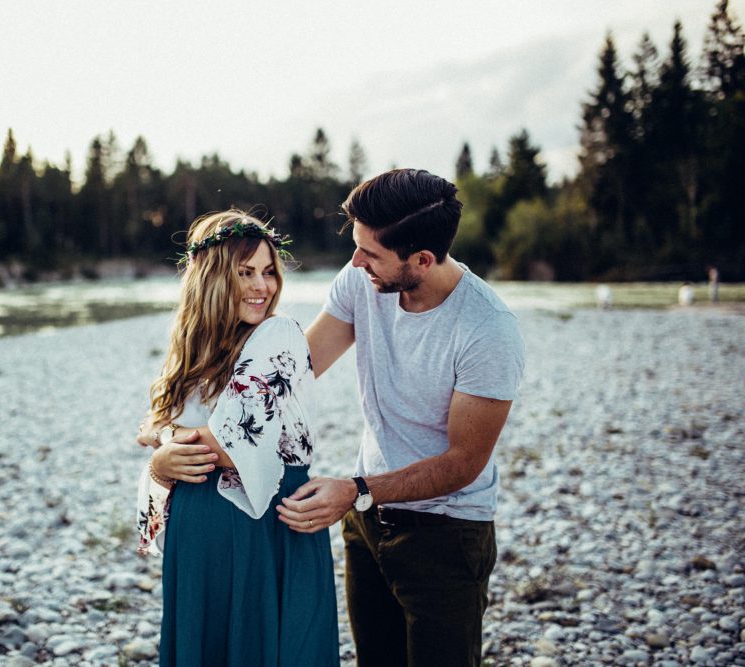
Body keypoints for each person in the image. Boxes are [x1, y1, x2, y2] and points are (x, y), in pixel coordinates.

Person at [155, 169, 525, 667]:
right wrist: (163, 430)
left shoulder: (487, 330)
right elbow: (284, 376)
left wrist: (353, 489)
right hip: (366, 521)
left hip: (446, 532)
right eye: (356, 246)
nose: (354, 262)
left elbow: (465, 463)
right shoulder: (360, 280)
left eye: (370, 254)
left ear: (421, 259)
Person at [135, 210, 339, 667]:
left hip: (269, 526)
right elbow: (162, 433)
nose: (261, 286)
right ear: (209, 277)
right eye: (245, 272)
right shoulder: (193, 352)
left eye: (268, 272)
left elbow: (231, 444)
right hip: (200, 533)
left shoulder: (278, 335)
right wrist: (159, 459)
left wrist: (162, 439)